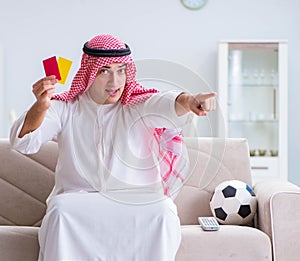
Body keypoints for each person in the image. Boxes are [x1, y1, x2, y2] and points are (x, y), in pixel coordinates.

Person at [10, 34, 216, 261]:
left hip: (136, 203)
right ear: (89, 72)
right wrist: (40, 106)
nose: (114, 82)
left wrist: (190, 100)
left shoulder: (139, 105)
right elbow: (23, 142)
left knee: (163, 210)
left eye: (121, 70)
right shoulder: (66, 108)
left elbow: (167, 103)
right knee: (60, 210)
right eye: (104, 71)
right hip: (79, 204)